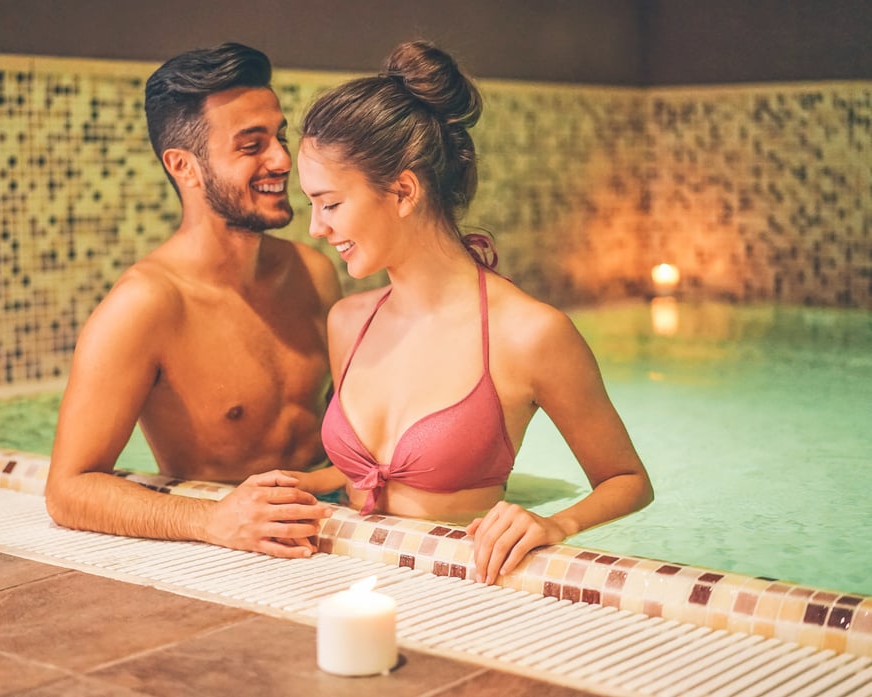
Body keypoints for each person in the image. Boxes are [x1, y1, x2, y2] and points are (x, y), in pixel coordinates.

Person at [290, 40, 653, 583]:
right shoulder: (348, 321)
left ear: (404, 191)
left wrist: (554, 525)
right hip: (353, 576)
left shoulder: (529, 334)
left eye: (331, 203)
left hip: (467, 588)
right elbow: (365, 477)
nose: (316, 228)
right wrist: (296, 486)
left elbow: (627, 480)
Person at [45, 43, 342, 558]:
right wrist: (211, 520)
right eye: (252, 146)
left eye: (280, 136)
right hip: (230, 548)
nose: (281, 160)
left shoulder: (312, 272)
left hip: (332, 523)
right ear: (184, 166)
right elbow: (68, 489)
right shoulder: (146, 306)